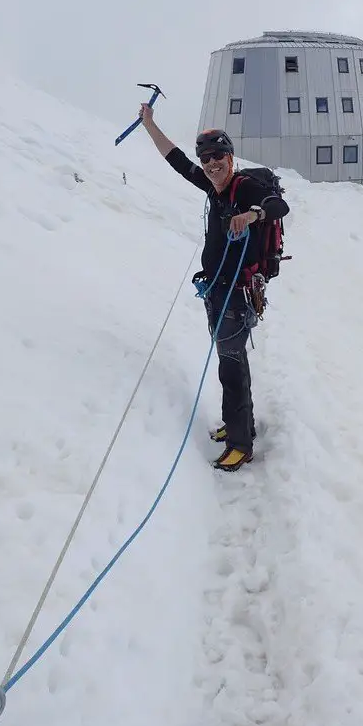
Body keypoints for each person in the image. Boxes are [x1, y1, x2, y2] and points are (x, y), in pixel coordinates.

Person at [139, 104, 289, 472]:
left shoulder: (245, 187)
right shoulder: (212, 187)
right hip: (218, 291)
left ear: (231, 156)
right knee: (228, 362)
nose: (210, 164)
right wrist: (149, 125)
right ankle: (240, 426)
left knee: (232, 367)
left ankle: (241, 444)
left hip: (237, 295)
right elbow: (176, 160)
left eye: (218, 156)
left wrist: (252, 214)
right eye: (205, 158)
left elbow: (278, 205)